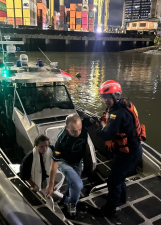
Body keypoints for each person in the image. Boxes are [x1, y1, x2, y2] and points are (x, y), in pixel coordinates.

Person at [96, 80, 146, 217]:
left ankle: (110, 208)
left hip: (129, 154)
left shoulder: (118, 114)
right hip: (130, 150)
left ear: (116, 96)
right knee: (120, 177)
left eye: (107, 97)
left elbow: (106, 134)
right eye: (103, 97)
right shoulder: (125, 104)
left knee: (113, 180)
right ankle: (120, 199)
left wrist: (100, 125)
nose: (104, 100)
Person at [45, 114, 93, 217]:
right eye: (74, 131)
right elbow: (54, 163)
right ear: (67, 128)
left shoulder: (84, 124)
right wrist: (51, 184)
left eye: (79, 130)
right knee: (78, 184)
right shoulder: (61, 140)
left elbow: (96, 121)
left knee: (73, 184)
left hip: (77, 162)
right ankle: (72, 204)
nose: (78, 133)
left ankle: (66, 200)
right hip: (64, 162)